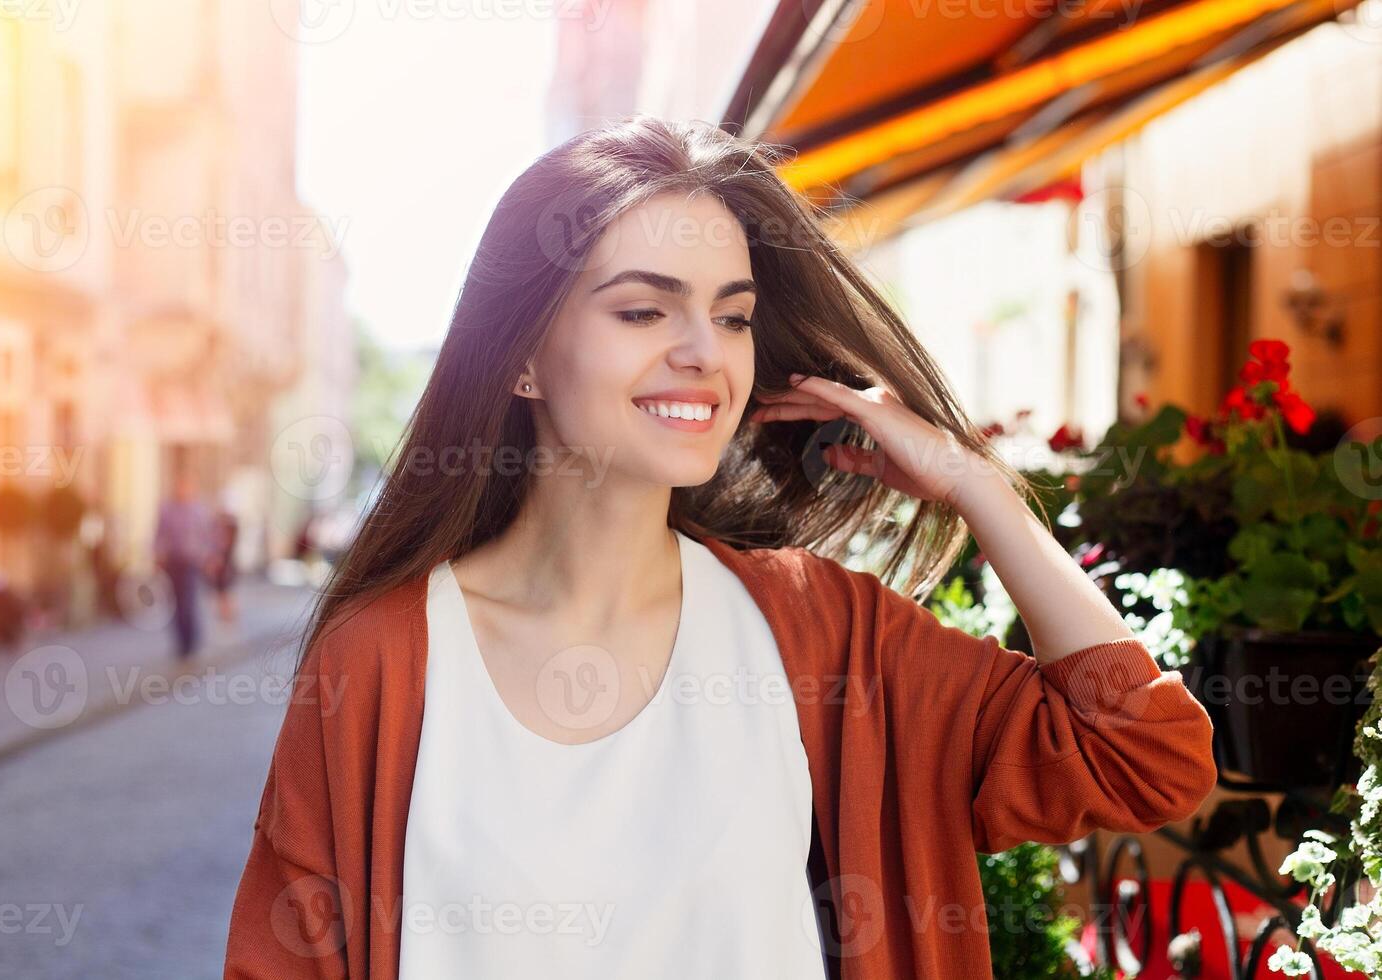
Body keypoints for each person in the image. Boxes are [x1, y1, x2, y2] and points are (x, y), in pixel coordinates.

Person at [224, 116, 1216, 980]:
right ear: (522, 356)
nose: (704, 349)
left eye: (731, 315)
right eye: (644, 309)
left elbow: (1141, 755)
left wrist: (978, 486)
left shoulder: (821, 634)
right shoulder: (383, 660)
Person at [153, 468, 214, 660]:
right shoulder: (167, 509)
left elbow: (208, 536)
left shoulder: (199, 510)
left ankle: (192, 640)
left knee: (189, 601)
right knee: (176, 603)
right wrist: (157, 554)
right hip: (173, 561)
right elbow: (159, 534)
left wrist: (210, 557)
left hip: (192, 562)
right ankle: (181, 642)